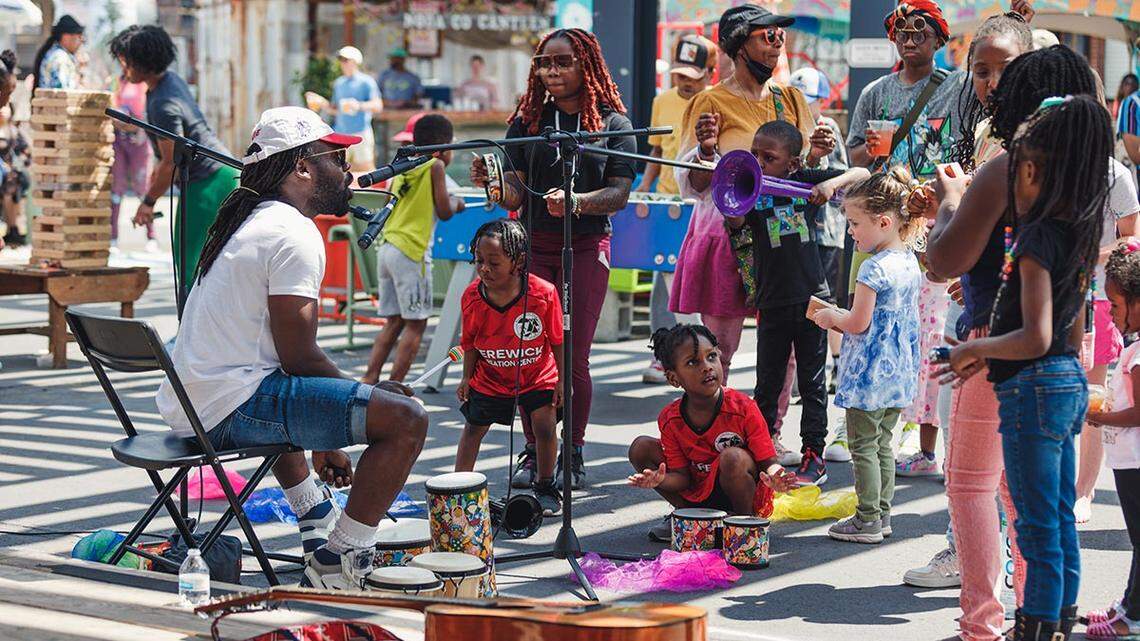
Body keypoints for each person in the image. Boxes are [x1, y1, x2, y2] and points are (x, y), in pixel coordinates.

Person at [155, 106, 428, 590]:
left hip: (193, 402)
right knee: (406, 418)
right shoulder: (292, 231)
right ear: (302, 167)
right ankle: (339, 560)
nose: (348, 169)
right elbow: (299, 356)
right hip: (226, 410)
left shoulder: (249, 218)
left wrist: (342, 409)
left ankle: (315, 515)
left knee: (289, 390)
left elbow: (287, 366)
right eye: (337, 157)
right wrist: (350, 415)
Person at [926, 45, 1099, 641]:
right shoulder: (1086, 170)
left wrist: (951, 201)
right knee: (1039, 505)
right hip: (1064, 360)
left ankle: (984, 627)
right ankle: (1044, 621)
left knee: (975, 485)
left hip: (1001, 346)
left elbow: (944, 260)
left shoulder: (1011, 167)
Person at [469, 28, 636, 491]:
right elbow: (515, 193)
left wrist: (579, 201)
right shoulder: (527, 122)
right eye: (544, 63)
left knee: (573, 354)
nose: (552, 71)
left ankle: (575, 450)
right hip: (532, 246)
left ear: (587, 65)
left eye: (563, 62)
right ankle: (537, 449)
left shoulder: (614, 124)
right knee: (533, 351)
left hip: (584, 245)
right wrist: (493, 181)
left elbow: (620, 194)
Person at [903, 9, 1034, 593]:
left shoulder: (1029, 148)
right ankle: (1017, 604)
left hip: (1008, 326)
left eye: (1001, 69)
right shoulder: (988, 135)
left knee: (977, 477)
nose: (989, 84)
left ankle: (996, 599)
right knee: (995, 477)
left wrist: (954, 209)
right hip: (987, 307)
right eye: (979, 72)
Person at [670, 4, 833, 414]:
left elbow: (804, 173)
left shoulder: (791, 99)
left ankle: (769, 434)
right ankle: (713, 433)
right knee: (716, 347)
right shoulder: (710, 101)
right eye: (767, 36)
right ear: (738, 45)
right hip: (728, 234)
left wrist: (816, 152)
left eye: (781, 36)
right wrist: (706, 152)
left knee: (785, 347)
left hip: (783, 237)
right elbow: (690, 184)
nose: (778, 44)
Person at [725, 120, 868, 487]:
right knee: (767, 384)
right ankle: (762, 455)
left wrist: (828, 184)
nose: (758, 161)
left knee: (813, 381)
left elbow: (861, 172)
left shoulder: (804, 178)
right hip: (771, 299)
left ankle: (813, 454)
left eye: (768, 157)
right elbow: (737, 219)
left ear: (791, 163)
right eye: (755, 153)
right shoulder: (750, 187)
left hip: (812, 298)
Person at [812, 168, 924, 543]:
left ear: (885, 221)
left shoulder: (873, 268)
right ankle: (883, 514)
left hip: (869, 375)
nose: (850, 231)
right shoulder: (909, 261)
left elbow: (857, 323)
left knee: (863, 447)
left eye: (855, 223)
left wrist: (830, 317)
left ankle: (867, 519)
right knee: (882, 445)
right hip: (899, 372)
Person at [628, 323, 796, 542]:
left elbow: (768, 462)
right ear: (673, 378)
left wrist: (776, 475)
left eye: (711, 356)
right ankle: (687, 517)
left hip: (739, 491)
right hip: (696, 493)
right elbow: (682, 479)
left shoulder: (743, 408)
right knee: (640, 447)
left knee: (732, 457)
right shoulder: (670, 419)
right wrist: (659, 480)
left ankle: (742, 523)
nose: (707, 367)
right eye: (692, 362)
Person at [113, 25, 238, 303]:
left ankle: (192, 338)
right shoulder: (169, 81)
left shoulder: (163, 102)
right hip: (222, 173)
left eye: (126, 59)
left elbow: (170, 162)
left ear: (143, 61)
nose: (123, 65)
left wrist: (147, 202)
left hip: (208, 181)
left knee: (189, 263)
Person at [455, 219, 564, 516]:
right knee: (473, 429)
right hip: (490, 377)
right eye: (479, 261)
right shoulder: (471, 297)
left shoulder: (543, 293)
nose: (484, 269)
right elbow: (471, 342)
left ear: (518, 261)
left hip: (537, 374)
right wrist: (466, 377)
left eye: (493, 262)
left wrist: (561, 381)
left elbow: (557, 340)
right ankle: (457, 488)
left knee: (544, 425)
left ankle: (545, 486)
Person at [362, 114, 465, 384]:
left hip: (388, 248)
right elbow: (444, 211)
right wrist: (458, 204)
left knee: (393, 322)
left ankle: (370, 378)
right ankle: (396, 385)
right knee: (416, 323)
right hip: (411, 252)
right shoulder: (435, 166)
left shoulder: (401, 165)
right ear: (444, 147)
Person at [637, 34, 716, 384]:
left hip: (699, 204)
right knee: (662, 276)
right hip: (666, 198)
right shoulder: (662, 101)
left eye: (692, 76)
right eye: (679, 75)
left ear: (709, 73)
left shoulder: (713, 102)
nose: (683, 83)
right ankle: (662, 353)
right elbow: (656, 149)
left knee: (688, 281)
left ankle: (700, 353)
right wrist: (643, 188)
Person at [789, 66, 853, 462]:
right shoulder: (789, 127)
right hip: (795, 235)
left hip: (827, 233)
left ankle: (833, 366)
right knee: (798, 309)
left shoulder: (827, 127)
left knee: (822, 308)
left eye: (810, 99)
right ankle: (803, 375)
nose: (807, 107)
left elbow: (842, 179)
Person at [1085, 240, 1140, 639]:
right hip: (1127, 459)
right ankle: (1128, 604)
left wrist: (1099, 417)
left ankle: (1133, 617)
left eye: (1116, 307)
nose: (1112, 315)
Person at [108, 28, 154, 252]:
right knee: (115, 188)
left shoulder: (143, 82)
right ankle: (114, 237)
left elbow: (145, 113)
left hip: (139, 140)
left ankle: (151, 236)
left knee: (142, 187)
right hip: (120, 139)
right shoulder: (119, 81)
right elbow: (111, 107)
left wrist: (134, 125)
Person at [310, 46, 382, 175]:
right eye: (341, 59)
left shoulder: (367, 81)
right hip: (341, 134)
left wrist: (358, 106)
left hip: (361, 132)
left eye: (346, 59)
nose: (342, 63)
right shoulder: (339, 83)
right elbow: (336, 110)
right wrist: (321, 102)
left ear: (355, 61)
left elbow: (377, 106)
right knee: (340, 172)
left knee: (365, 171)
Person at [33, 15, 84, 91]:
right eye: (79, 37)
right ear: (66, 37)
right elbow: (62, 95)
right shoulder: (60, 58)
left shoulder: (55, 54)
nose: (81, 41)